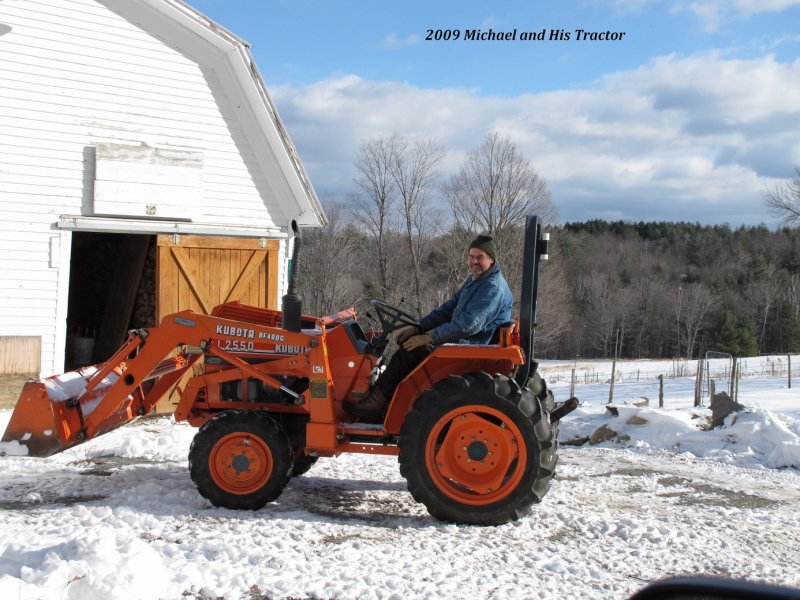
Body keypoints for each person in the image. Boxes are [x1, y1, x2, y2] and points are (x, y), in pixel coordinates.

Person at [344, 234, 513, 422]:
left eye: (479, 257)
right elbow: (449, 308)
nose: (474, 261)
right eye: (471, 256)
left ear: (491, 259)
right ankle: (387, 401)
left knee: (408, 354)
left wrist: (429, 337)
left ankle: (376, 402)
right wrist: (419, 326)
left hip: (472, 344)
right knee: (409, 349)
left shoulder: (492, 287)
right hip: (467, 340)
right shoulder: (476, 279)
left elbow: (468, 325)